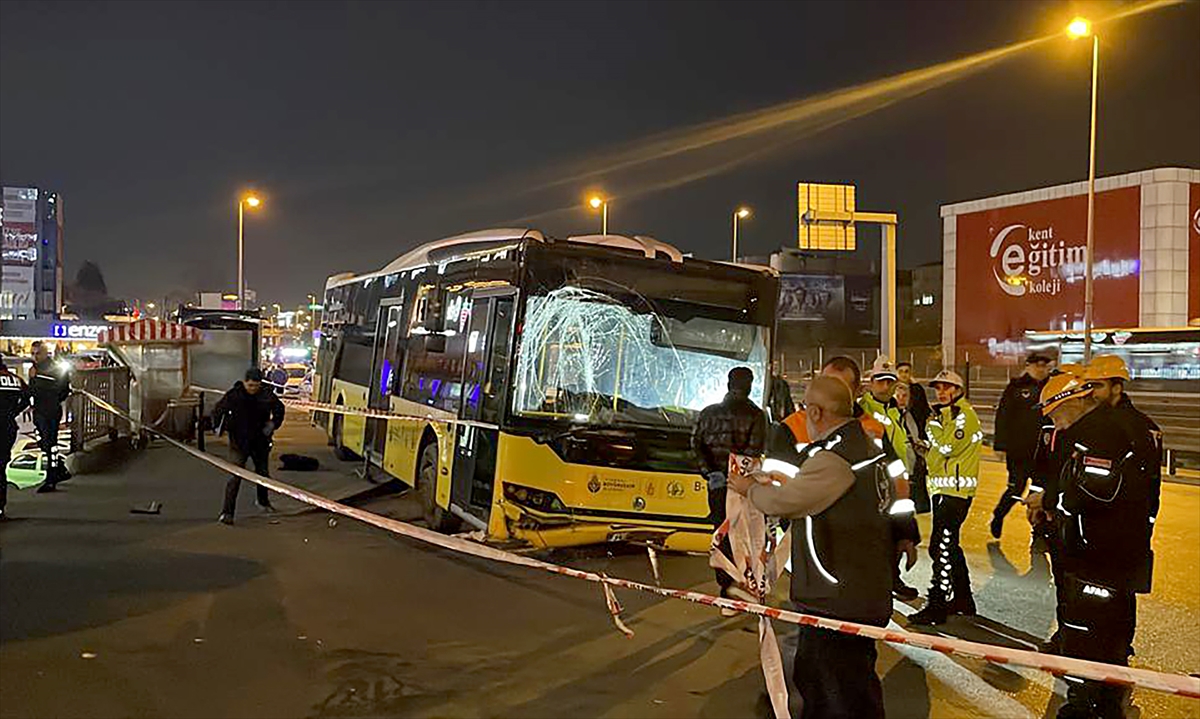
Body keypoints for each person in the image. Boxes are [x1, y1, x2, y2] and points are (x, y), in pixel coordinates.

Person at [730, 375, 893, 719]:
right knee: (856, 687)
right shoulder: (866, 448)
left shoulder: (835, 457)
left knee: (830, 692)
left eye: (805, 409)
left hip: (834, 597)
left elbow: (785, 503)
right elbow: (823, 496)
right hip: (862, 589)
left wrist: (748, 488)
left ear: (816, 411)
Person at [1032, 371, 1154, 719]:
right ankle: (1108, 697)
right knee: (1112, 629)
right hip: (1116, 552)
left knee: (1086, 630)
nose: (1056, 424)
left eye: (1055, 416)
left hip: (1096, 554)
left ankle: (1085, 703)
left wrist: (1058, 508)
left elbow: (1094, 493)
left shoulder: (1096, 436)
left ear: (1072, 403)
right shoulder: (1120, 426)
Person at [779, 356, 920, 601]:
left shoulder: (874, 428)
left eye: (839, 387)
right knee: (814, 626)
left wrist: (904, 531)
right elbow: (776, 484)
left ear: (856, 392)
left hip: (865, 551)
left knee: (860, 626)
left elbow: (896, 483)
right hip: (815, 550)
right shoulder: (791, 427)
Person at [1080, 355, 1161, 660]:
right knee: (1122, 597)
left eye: (1098, 386)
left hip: (1113, 528)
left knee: (1108, 599)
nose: (1092, 393)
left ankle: (1108, 664)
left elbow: (1106, 485)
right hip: (1131, 528)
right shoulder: (1140, 424)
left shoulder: (1120, 426)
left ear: (1117, 386)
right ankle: (1117, 652)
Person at [908, 369, 982, 625]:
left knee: (940, 546)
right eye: (938, 388)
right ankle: (963, 598)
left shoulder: (964, 417)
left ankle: (937, 603)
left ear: (959, 390)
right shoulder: (946, 417)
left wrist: (932, 430)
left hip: (956, 493)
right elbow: (939, 458)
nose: (941, 392)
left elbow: (949, 447)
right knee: (949, 545)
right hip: (943, 490)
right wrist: (928, 449)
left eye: (947, 387)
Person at [691, 366, 766, 614]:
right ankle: (744, 586)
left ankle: (726, 588)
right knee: (744, 534)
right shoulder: (756, 415)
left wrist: (711, 472)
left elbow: (696, 444)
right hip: (742, 486)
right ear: (750, 386)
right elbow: (755, 451)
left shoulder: (708, 413)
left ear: (727, 383)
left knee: (721, 534)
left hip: (716, 485)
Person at [990, 352, 1053, 538]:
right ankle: (999, 515)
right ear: (1028, 366)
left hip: (1043, 453)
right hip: (1020, 451)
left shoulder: (1053, 386)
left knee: (1039, 492)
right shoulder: (1017, 387)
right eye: (1037, 365)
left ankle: (1038, 529)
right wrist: (1000, 445)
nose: (1041, 369)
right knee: (1016, 488)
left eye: (1044, 365)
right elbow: (1003, 416)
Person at [214, 367, 285, 524]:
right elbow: (218, 411)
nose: (252, 389)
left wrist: (273, 424)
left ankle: (263, 502)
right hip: (239, 443)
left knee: (262, 474)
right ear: (245, 382)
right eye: (250, 385)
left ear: (260, 384)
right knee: (235, 477)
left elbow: (279, 409)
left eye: (255, 385)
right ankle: (227, 512)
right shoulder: (235, 395)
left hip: (260, 442)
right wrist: (219, 427)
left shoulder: (266, 395)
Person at [29, 342, 72, 492]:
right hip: (39, 410)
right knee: (44, 443)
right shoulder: (34, 369)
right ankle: (60, 470)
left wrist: (52, 400)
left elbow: (64, 389)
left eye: (37, 353)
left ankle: (51, 478)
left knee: (51, 445)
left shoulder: (53, 368)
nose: (34, 356)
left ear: (45, 353)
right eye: (32, 353)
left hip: (50, 410)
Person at [0, 357, 32, 519]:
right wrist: (13, 412)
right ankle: (0, 507)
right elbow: (27, 397)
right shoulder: (15, 379)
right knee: (1, 467)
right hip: (8, 426)